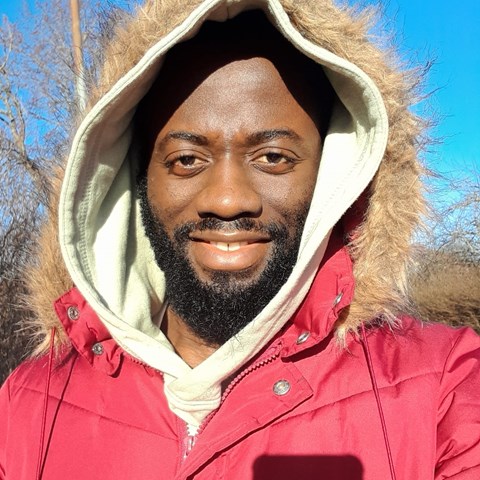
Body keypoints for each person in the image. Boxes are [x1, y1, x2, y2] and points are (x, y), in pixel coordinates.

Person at [1, 1, 479, 479]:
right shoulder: (27, 405)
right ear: (138, 179)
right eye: (186, 160)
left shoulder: (444, 387)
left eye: (273, 157)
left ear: (334, 173)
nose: (227, 200)